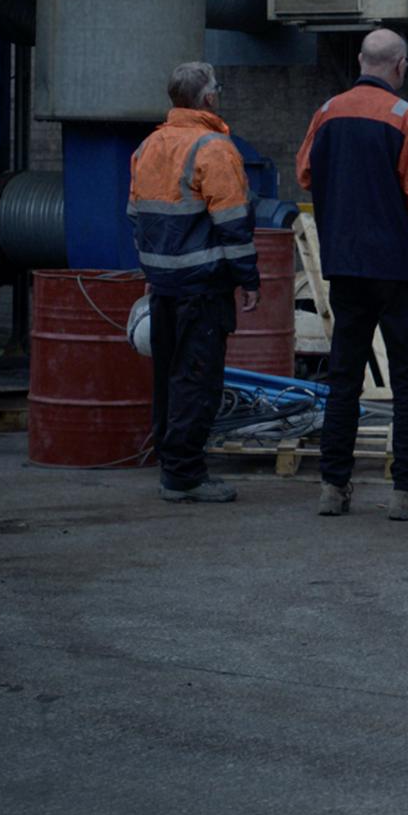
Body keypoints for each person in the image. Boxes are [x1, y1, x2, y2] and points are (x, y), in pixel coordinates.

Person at [295, 28, 408, 521]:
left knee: (344, 377)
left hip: (345, 265)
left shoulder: (327, 112)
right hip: (399, 270)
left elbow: (305, 173)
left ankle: (332, 487)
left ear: (362, 60)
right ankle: (407, 492)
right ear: (401, 66)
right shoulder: (406, 118)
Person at [127, 61, 260, 504]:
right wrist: (248, 279)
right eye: (217, 87)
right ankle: (184, 476)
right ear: (208, 98)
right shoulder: (214, 148)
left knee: (169, 377)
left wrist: (154, 272)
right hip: (202, 287)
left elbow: (137, 216)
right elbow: (233, 223)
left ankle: (173, 465)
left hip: (164, 286)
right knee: (197, 380)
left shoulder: (149, 146)